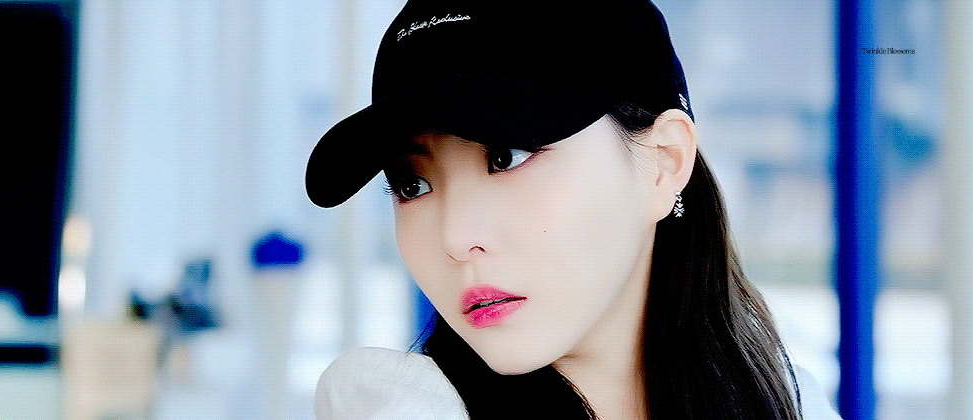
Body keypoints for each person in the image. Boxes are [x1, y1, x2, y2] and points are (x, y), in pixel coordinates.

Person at [305, 0, 842, 419]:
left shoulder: (788, 401)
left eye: (506, 156)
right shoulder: (407, 409)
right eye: (412, 185)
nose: (455, 238)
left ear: (663, 162)